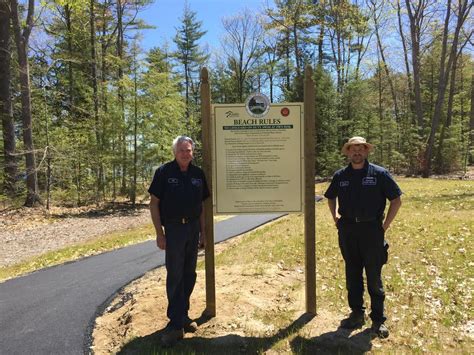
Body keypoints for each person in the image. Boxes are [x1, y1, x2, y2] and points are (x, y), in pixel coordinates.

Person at [324, 136, 402, 338]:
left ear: (366, 152)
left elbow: (396, 200)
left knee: (374, 277)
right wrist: (335, 217)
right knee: (352, 273)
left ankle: (378, 320)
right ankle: (356, 314)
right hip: (348, 230)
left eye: (361, 149)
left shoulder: (379, 174)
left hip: (372, 230)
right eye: (353, 149)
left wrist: (384, 226)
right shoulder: (340, 176)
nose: (357, 152)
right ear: (348, 152)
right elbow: (330, 196)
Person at [148, 135, 210, 346]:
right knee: (174, 275)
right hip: (173, 229)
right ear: (175, 152)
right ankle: (175, 324)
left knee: (189, 274)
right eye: (182, 150)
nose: (186, 153)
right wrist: (160, 233)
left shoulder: (198, 174)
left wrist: (203, 233)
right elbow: (153, 204)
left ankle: (183, 315)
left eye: (189, 150)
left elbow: (202, 208)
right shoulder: (164, 172)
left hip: (193, 228)